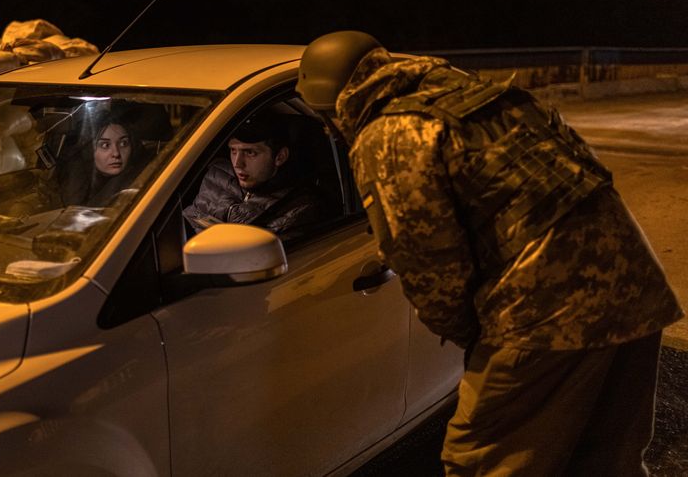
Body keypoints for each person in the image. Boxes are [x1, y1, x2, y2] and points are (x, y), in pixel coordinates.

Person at [296, 30, 683, 476]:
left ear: (334, 104)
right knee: (605, 462)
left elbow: (431, 271)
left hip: (546, 315)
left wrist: (480, 342)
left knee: (485, 459)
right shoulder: (482, 95)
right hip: (636, 289)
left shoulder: (388, 133)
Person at [183, 113, 324, 241]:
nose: (237, 164)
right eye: (233, 150)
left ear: (280, 157)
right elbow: (185, 222)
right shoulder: (216, 174)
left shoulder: (298, 209)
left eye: (250, 153)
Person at [58, 115, 145, 207]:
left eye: (123, 143)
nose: (116, 153)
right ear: (89, 151)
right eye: (105, 145)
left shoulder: (142, 183)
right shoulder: (72, 184)